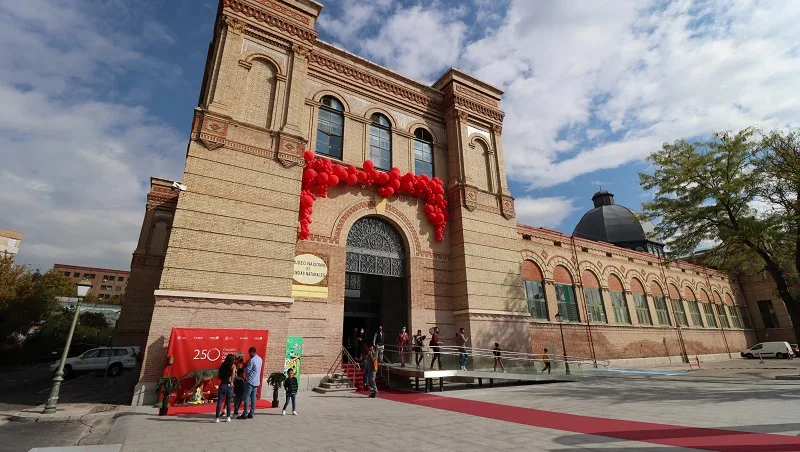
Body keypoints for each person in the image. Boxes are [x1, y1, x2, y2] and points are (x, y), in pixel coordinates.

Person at [238, 347, 262, 419]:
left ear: (251, 353)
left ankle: (245, 413)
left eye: (249, 353)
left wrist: (242, 369)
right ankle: (251, 413)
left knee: (246, 397)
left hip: (250, 381)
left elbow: (248, 370)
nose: (249, 355)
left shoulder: (252, 360)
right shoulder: (260, 359)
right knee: (253, 397)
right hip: (256, 381)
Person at [213, 354, 236, 423]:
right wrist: (232, 382)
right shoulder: (233, 366)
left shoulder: (223, 364)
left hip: (222, 384)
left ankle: (217, 418)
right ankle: (228, 417)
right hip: (229, 384)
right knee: (228, 402)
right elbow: (233, 374)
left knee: (219, 401)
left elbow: (219, 374)